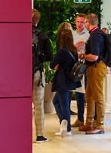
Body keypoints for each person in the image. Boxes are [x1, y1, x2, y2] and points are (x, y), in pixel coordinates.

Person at [79, 13, 107, 134]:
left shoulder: (95, 35)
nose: (84, 24)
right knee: (89, 96)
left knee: (98, 97)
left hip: (96, 67)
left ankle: (100, 125)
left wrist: (83, 55)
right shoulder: (96, 34)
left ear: (89, 23)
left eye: (85, 22)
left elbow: (94, 56)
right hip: (93, 68)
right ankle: (89, 123)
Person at [49, 29, 79, 137]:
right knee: (57, 101)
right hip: (70, 80)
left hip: (62, 80)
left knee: (63, 104)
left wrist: (57, 65)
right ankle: (64, 124)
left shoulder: (62, 51)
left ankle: (67, 129)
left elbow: (52, 64)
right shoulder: (74, 50)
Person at [31, 8, 54, 143]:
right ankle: (39, 135)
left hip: (21, 75)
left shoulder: (19, 32)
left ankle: (21, 133)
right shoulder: (42, 35)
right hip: (37, 73)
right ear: (37, 21)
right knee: (38, 104)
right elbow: (50, 56)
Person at [70, 13, 90, 128]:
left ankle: (90, 119)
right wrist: (75, 46)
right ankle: (80, 118)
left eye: (82, 22)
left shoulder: (88, 35)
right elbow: (68, 49)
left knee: (87, 92)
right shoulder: (72, 35)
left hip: (86, 65)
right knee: (78, 92)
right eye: (78, 22)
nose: (80, 24)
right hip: (75, 65)